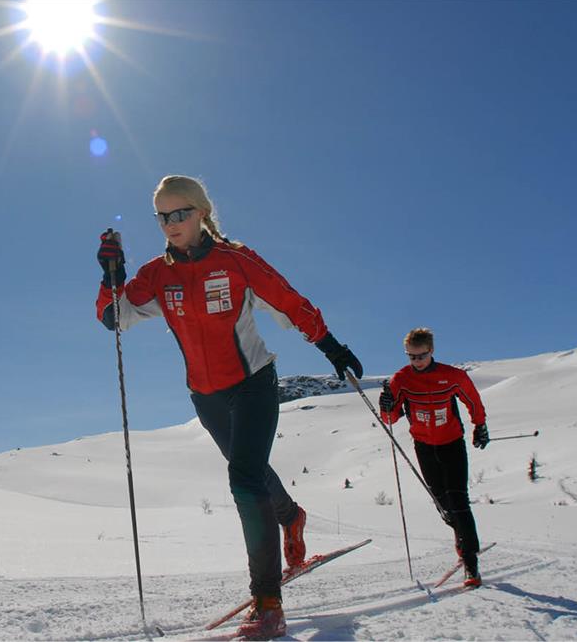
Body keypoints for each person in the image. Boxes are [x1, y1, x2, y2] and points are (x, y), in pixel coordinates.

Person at [95, 175, 363, 639]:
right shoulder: (158, 275)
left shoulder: (236, 261)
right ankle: (292, 517)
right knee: (251, 471)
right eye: (163, 216)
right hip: (205, 394)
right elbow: (114, 317)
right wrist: (110, 276)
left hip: (253, 383)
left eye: (181, 212)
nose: (172, 223)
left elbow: (289, 301)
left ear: (202, 212)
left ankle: (268, 603)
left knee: (242, 478)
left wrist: (331, 345)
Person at [378, 327, 490, 587]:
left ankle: (470, 561)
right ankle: (459, 534)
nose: (416, 362)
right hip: (424, 446)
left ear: (431, 352)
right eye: (411, 357)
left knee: (458, 499)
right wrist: (386, 404)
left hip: (451, 442)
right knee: (442, 503)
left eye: (421, 356)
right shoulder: (401, 379)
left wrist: (480, 425)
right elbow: (391, 418)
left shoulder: (452, 376)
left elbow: (472, 400)